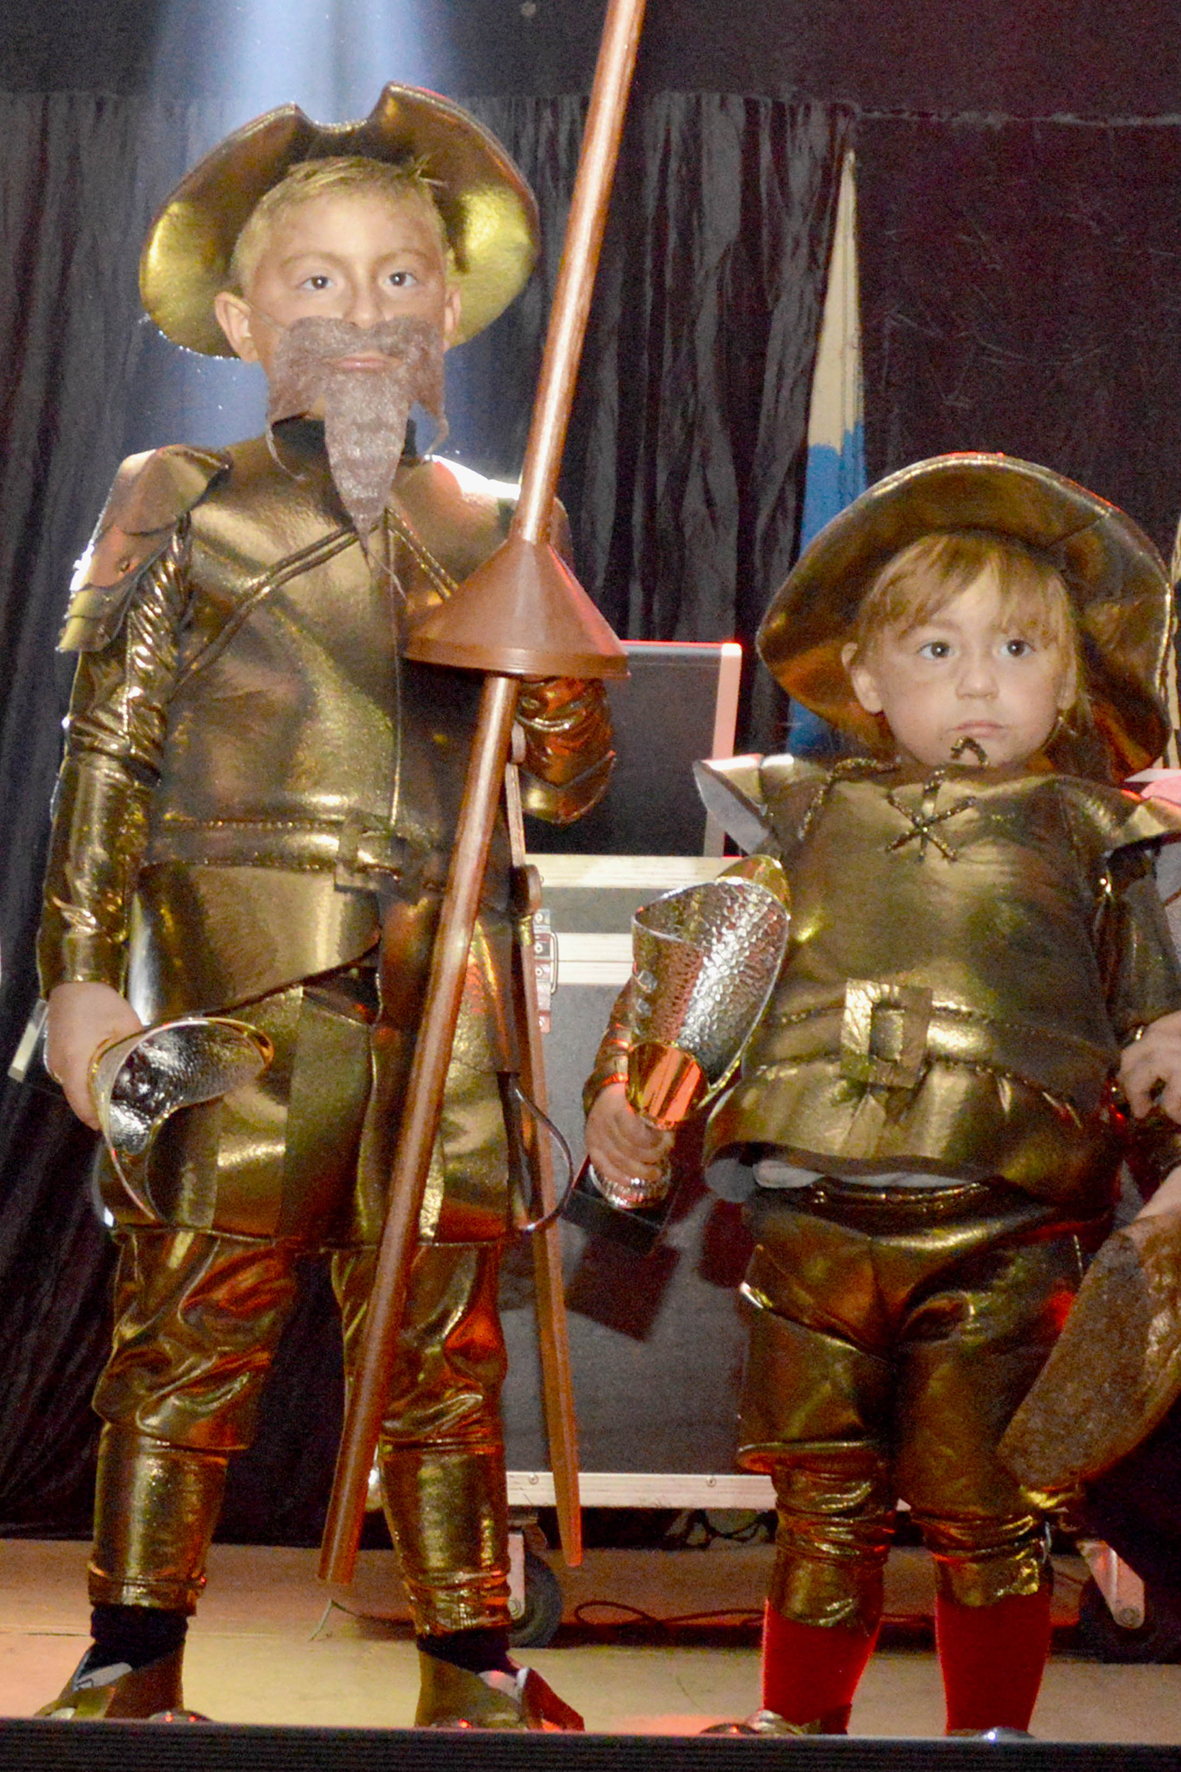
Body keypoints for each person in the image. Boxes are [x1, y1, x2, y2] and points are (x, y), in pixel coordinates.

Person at [36, 85, 612, 1729]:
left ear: (451, 309)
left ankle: (470, 1660)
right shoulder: (179, 494)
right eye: (317, 279)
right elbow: (106, 752)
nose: (362, 310)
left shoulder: (504, 517)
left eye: (397, 276)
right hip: (238, 973)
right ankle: (132, 1652)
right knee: (189, 1314)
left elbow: (564, 788)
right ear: (239, 318)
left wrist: (559, 690)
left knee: (444, 1334)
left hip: (448, 977)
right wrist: (79, 973)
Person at [584, 453, 1181, 1737]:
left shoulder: (1096, 838)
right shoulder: (791, 815)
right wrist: (627, 1096)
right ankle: (799, 1731)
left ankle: (989, 1740)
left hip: (1002, 1241)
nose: (977, 681)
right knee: (819, 1507)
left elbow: (1153, 1028)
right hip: (805, 1233)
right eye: (935, 647)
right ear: (861, 675)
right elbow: (697, 977)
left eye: (1016, 647)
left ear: (1067, 678)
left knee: (987, 1514)